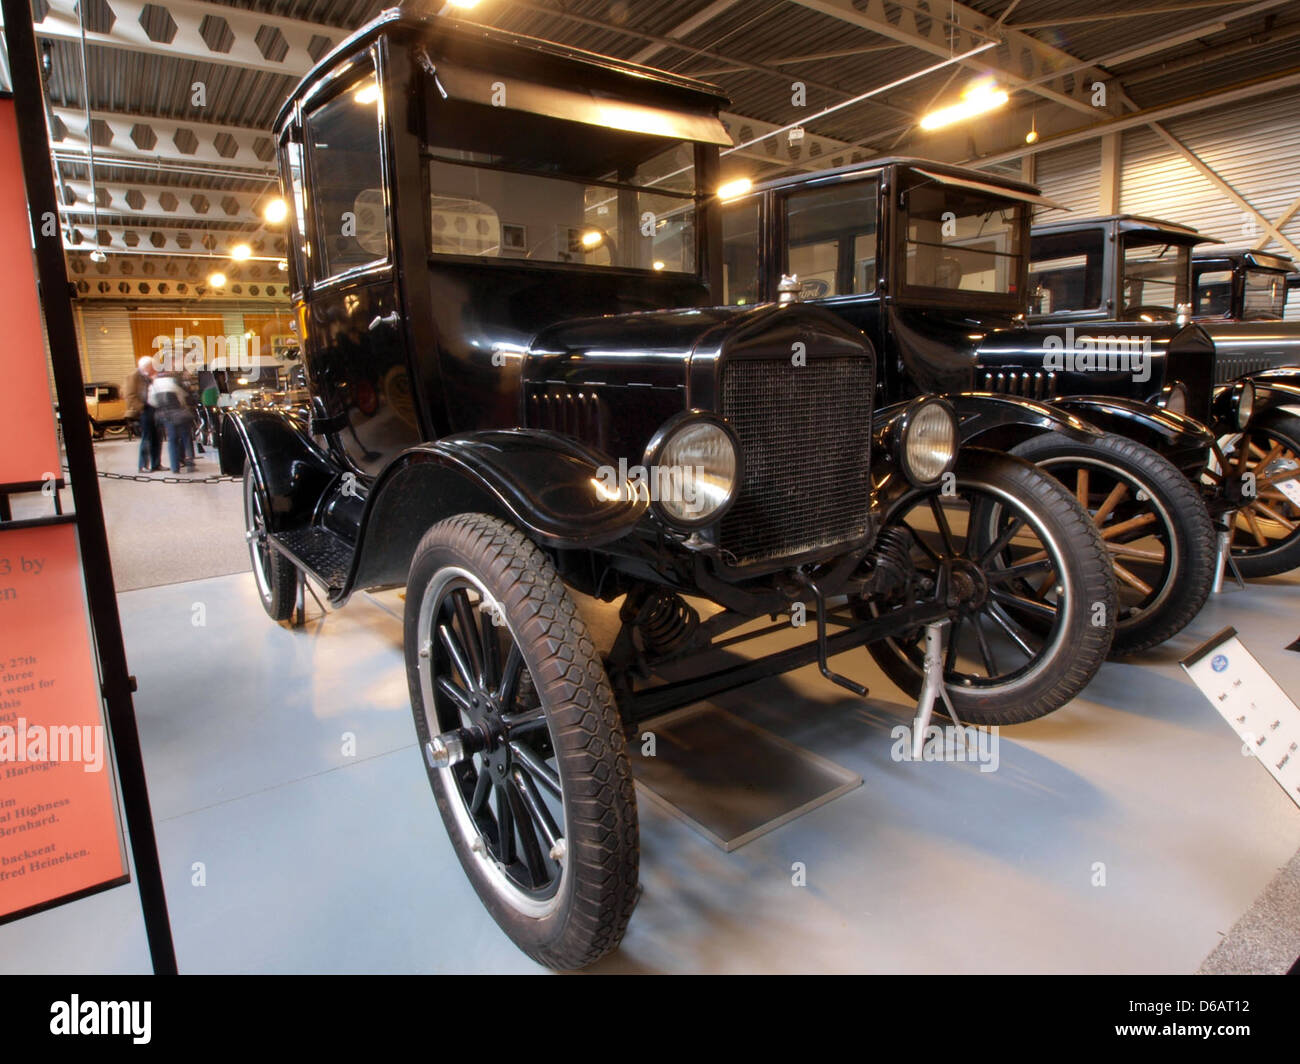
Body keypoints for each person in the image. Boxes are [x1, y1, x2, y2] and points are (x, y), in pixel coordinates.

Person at [148, 368, 195, 474]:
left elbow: (152, 401)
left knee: (172, 440)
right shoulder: (173, 382)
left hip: (166, 416)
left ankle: (175, 467)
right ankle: (189, 461)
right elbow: (182, 398)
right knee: (186, 438)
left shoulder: (154, 386)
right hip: (179, 414)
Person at [125, 355, 162, 473]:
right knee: (147, 437)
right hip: (144, 410)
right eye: (152, 367)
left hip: (154, 408)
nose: (153, 368)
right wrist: (141, 407)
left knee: (157, 437)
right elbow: (129, 395)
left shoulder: (149, 376)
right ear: (145, 367)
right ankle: (143, 465)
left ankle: (156, 463)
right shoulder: (133, 377)